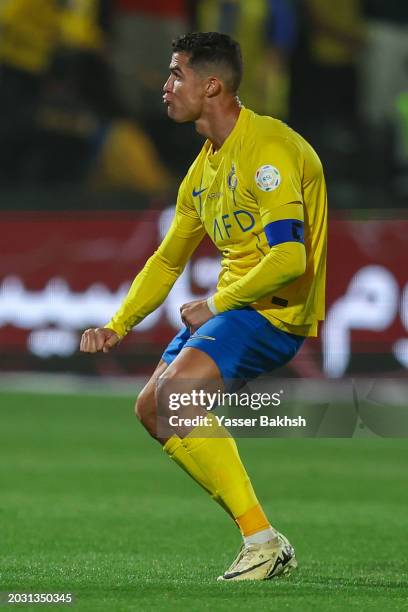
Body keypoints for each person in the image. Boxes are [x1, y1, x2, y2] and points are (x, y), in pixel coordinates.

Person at [80, 31, 327, 581]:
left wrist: (217, 301)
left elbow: (289, 256)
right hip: (236, 307)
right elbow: (168, 261)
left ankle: (261, 541)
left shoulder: (267, 150)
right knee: (152, 409)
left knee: (177, 396)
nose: (165, 87)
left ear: (211, 84)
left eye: (176, 75)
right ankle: (264, 538)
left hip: (272, 309)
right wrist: (118, 325)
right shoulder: (204, 168)